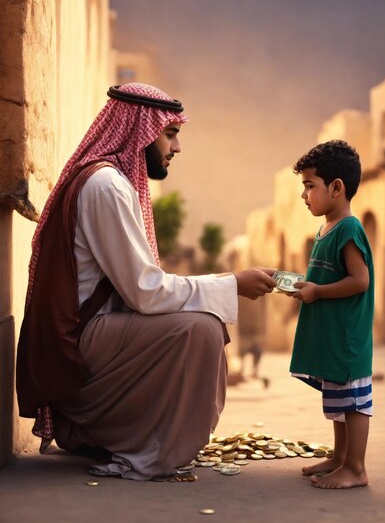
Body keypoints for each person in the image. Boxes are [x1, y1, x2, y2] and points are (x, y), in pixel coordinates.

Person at [16, 82, 276, 481]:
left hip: (92, 332)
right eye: (170, 134)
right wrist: (231, 283)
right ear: (141, 130)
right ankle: (148, 456)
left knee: (200, 324)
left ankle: (126, 437)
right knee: (201, 330)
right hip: (81, 342)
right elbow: (145, 292)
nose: (176, 147)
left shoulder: (110, 181)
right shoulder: (105, 186)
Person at [289, 140, 374, 489]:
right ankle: (339, 458)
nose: (304, 194)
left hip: (347, 337)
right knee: (338, 397)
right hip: (331, 336)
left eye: (310, 186)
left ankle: (356, 467)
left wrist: (318, 291)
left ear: (336, 188)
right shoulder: (324, 229)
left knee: (353, 401)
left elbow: (360, 280)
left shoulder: (349, 228)